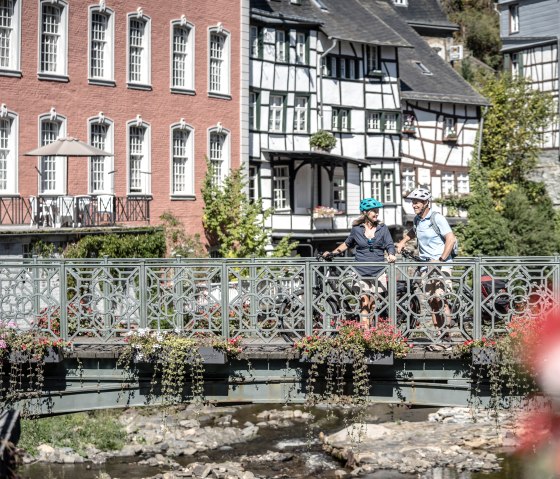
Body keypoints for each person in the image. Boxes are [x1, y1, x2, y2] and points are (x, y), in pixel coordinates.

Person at [324, 197, 396, 328]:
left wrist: (391, 254)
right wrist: (332, 253)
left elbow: (389, 244)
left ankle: (371, 331)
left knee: (373, 304)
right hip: (361, 270)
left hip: (378, 270)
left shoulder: (383, 228)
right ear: (365, 213)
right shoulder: (356, 229)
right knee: (364, 301)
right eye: (373, 211)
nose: (376, 213)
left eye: (377, 210)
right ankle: (366, 331)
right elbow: (347, 244)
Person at [395, 187, 457, 336]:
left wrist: (440, 260)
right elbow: (413, 231)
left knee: (440, 298)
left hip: (441, 265)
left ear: (426, 203)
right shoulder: (417, 220)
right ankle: (438, 336)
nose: (414, 205)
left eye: (417, 202)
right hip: (425, 266)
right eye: (413, 202)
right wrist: (403, 241)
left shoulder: (437, 218)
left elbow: (451, 238)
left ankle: (447, 337)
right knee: (431, 302)